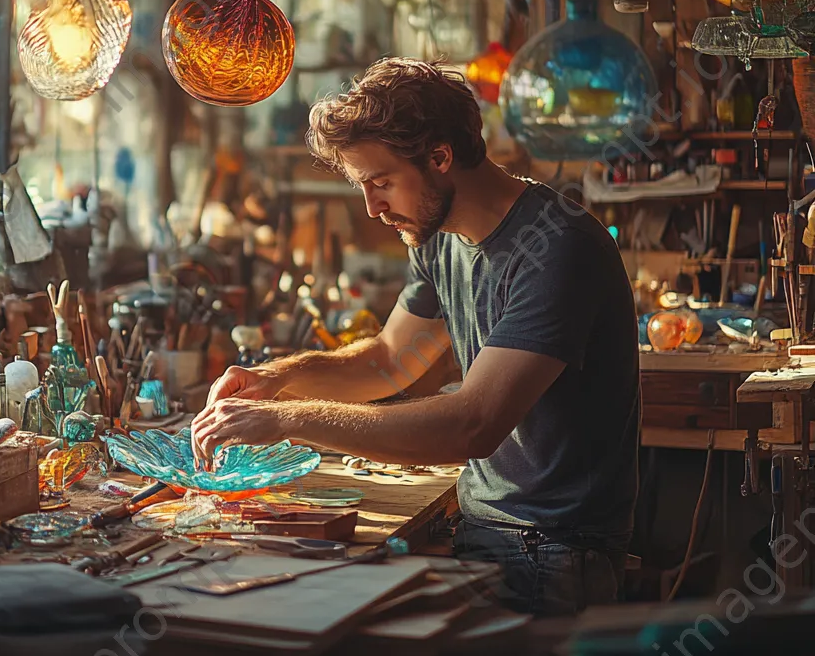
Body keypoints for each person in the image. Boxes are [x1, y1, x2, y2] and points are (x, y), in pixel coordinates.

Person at [191, 58, 640, 616]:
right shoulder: (436, 236)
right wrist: (276, 379)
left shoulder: (557, 249)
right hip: (487, 529)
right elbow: (387, 361)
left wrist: (288, 419)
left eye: (381, 183)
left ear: (440, 157)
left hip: (555, 550)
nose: (372, 208)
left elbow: (472, 425)